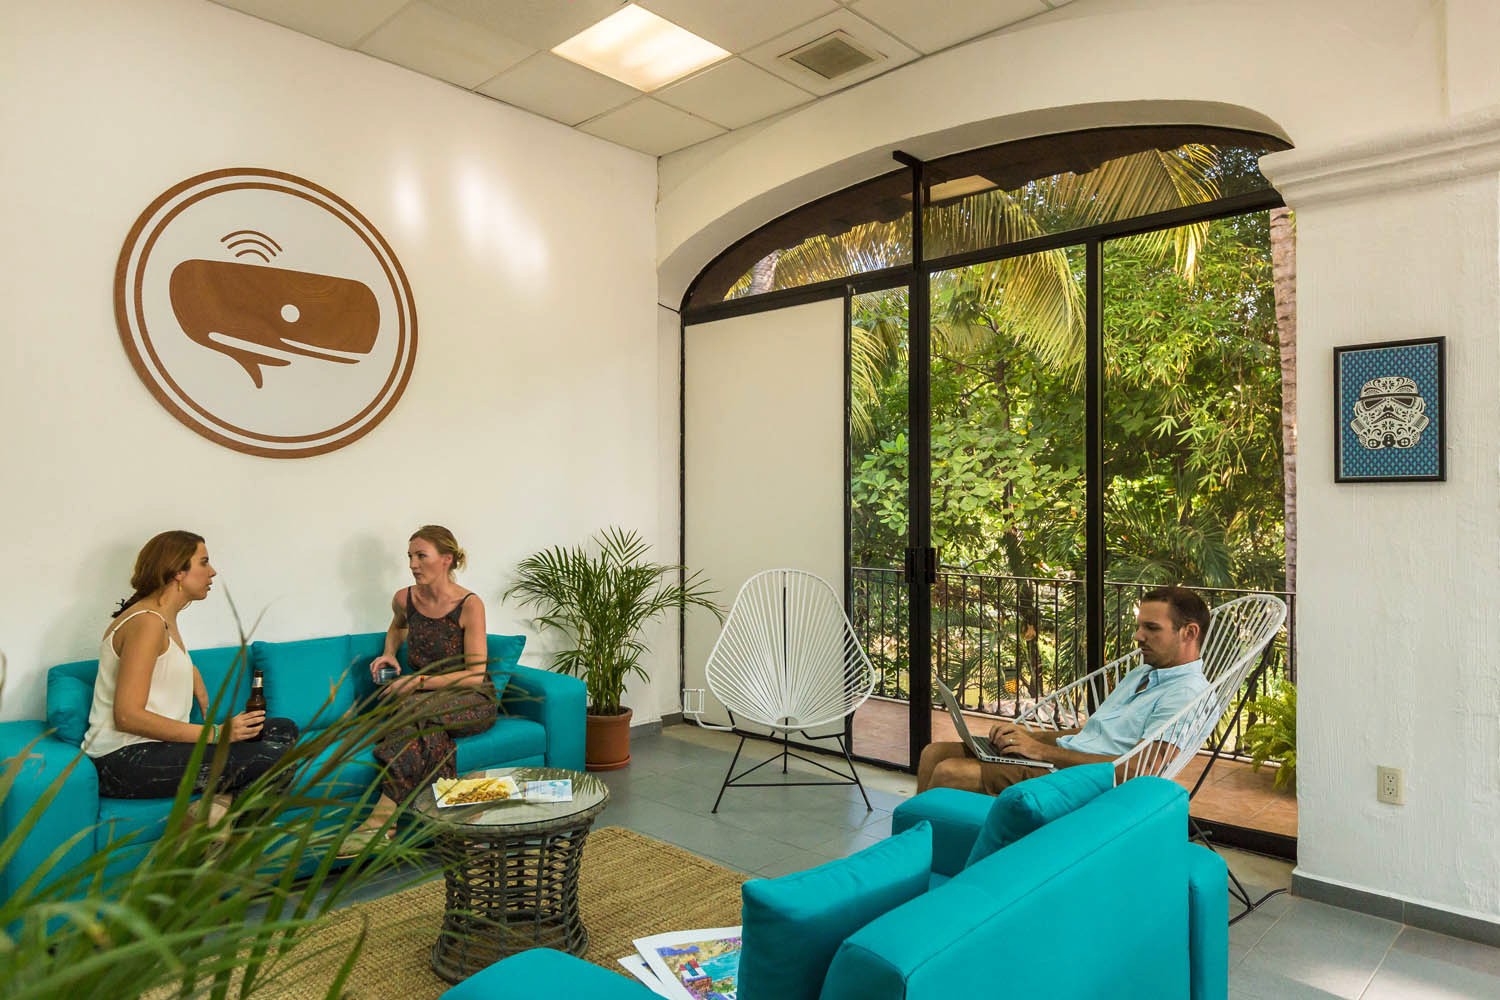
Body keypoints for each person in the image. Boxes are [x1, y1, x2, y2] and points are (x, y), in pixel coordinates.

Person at [83, 530, 299, 829]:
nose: (213, 572)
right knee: (273, 759)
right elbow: (127, 716)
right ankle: (219, 851)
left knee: (281, 730)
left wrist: (190, 670)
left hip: (153, 748)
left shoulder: (160, 618)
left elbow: (157, 665)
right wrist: (216, 734)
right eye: (204, 562)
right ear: (177, 572)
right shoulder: (147, 622)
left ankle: (214, 810)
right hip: (125, 759)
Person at [916, 586, 1212, 795]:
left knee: (950, 772)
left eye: (1151, 628)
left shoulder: (1187, 694)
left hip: (1082, 780)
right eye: (1139, 626)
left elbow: (1138, 770)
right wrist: (1029, 739)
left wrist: (1040, 751)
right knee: (934, 753)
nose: (1138, 636)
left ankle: (927, 858)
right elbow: (1094, 735)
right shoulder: (1144, 672)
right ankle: (911, 848)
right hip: (1061, 759)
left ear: (1189, 633)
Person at [341, 525, 497, 853]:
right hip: (423, 700)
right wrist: (387, 652)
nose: (412, 564)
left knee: (408, 710)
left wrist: (418, 681)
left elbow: (473, 675)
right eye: (410, 556)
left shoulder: (470, 604)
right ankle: (458, 813)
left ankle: (379, 822)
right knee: (422, 728)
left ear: (446, 560)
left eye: (421, 556)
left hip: (471, 698)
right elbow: (397, 627)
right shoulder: (405, 599)